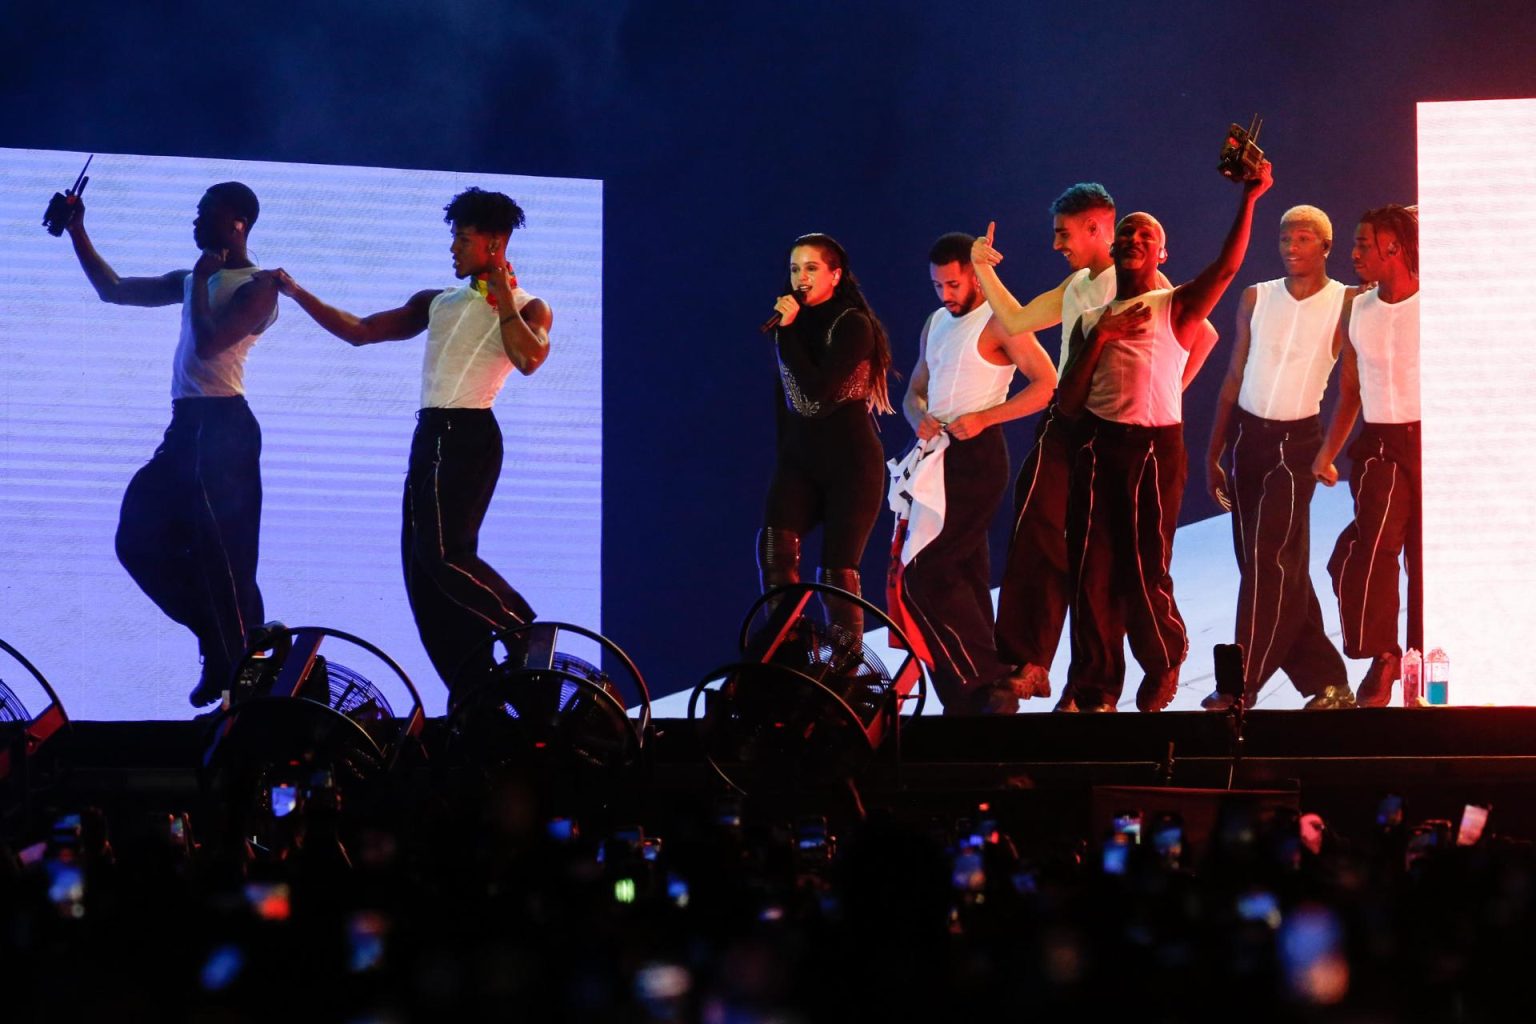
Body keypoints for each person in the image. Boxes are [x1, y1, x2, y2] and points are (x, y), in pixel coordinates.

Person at [262, 188, 550, 695]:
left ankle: (525, 631)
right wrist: (297, 292)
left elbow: (528, 359)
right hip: (431, 436)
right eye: (454, 238)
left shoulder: (529, 306)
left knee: (443, 556)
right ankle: (474, 687)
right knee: (425, 576)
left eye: (463, 239)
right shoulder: (437, 302)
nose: (453, 249)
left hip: (466, 434)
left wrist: (503, 294)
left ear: (495, 243)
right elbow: (361, 330)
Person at [972, 185, 1214, 706]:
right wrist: (980, 268)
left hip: (1115, 433)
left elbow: (1203, 337)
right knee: (1038, 527)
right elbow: (1015, 321)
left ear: (1096, 230)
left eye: (1064, 233)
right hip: (1068, 423)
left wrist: (1158, 401)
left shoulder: (1143, 281)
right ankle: (1033, 662)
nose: (1057, 243)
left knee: (1108, 558)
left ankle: (1107, 678)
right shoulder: (1078, 286)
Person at [1055, 161, 1272, 712]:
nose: (1133, 238)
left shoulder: (1173, 305)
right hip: (1099, 447)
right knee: (1091, 570)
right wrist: (1100, 335)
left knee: (1143, 565)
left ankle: (1164, 659)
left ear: (1161, 256)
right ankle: (1097, 687)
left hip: (1152, 450)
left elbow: (1226, 268)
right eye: (1126, 231)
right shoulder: (1093, 319)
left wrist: (1250, 198)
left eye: (1146, 234)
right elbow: (1070, 402)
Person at [60, 181, 279, 707]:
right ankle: (223, 642)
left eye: (206, 212)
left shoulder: (260, 284)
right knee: (137, 539)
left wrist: (202, 282)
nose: (195, 219)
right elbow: (113, 289)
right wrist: (77, 229)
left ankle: (240, 673)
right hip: (187, 427)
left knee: (224, 559)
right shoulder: (192, 279)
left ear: (237, 224)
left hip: (223, 427)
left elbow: (209, 344)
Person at [1203, 206, 1356, 711]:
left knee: (1270, 562)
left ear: (1326, 246)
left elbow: (1353, 391)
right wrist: (1214, 450)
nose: (1291, 246)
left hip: (1297, 446)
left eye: (1304, 238)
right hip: (1248, 439)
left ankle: (1239, 686)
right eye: (1285, 238)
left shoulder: (1346, 303)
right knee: (1268, 564)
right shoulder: (1257, 296)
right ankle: (1330, 683)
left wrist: (1329, 454)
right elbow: (1233, 375)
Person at [897, 232, 1056, 714]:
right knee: (965, 573)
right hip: (935, 454)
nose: (945, 294)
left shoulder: (1000, 320)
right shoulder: (935, 323)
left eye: (952, 284)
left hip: (979, 452)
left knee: (925, 572)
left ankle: (987, 678)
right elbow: (914, 391)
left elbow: (1046, 383)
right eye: (937, 285)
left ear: (974, 276)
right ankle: (974, 699)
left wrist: (988, 416)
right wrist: (915, 415)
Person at [759, 233, 893, 649]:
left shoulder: (852, 324)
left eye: (812, 268)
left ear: (835, 275)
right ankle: (790, 651)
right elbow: (787, 407)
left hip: (851, 464)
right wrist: (785, 461)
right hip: (801, 460)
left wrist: (786, 335)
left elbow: (813, 399)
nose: (801, 277)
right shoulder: (795, 324)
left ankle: (847, 665)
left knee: (836, 569)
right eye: (795, 269)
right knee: (773, 547)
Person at [1312, 205, 1421, 707]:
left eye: (1362, 245)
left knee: (1427, 562)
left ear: (1393, 248)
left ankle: (1420, 660)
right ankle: (1384, 656)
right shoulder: (1356, 308)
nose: (1352, 254)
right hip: (1380, 443)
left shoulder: (1439, 301)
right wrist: (1326, 454)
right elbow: (1350, 391)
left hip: (1437, 444)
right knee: (1364, 549)